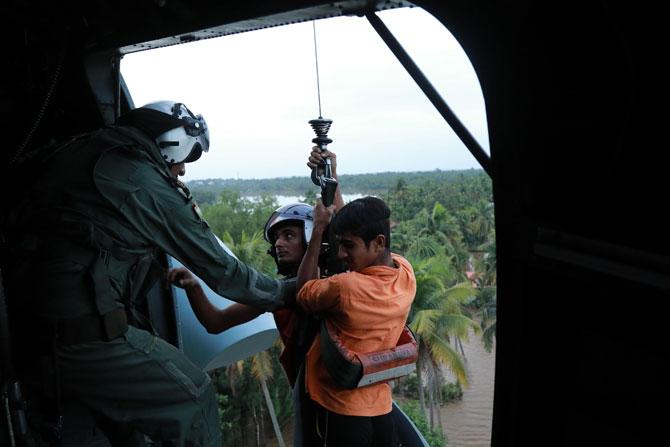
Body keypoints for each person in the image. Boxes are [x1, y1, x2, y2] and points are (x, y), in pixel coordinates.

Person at [1, 100, 295, 446]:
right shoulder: (137, 177)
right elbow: (223, 270)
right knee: (194, 399)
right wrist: (289, 292)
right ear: (170, 143)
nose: (182, 171)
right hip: (79, 339)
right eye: (186, 157)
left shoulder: (82, 154)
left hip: (32, 336)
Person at [168, 147, 343, 447]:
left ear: (313, 235)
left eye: (289, 235)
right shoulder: (278, 293)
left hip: (340, 395)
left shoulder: (336, 279)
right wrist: (194, 287)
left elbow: (342, 227)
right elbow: (217, 322)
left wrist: (332, 177)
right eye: (276, 238)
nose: (279, 244)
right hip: (310, 395)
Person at [296, 196, 416, 447]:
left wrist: (318, 229)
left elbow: (304, 291)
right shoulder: (405, 273)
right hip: (380, 405)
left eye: (348, 246)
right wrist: (335, 179)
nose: (341, 254)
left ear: (379, 242)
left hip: (341, 408)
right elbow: (365, 232)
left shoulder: (345, 287)